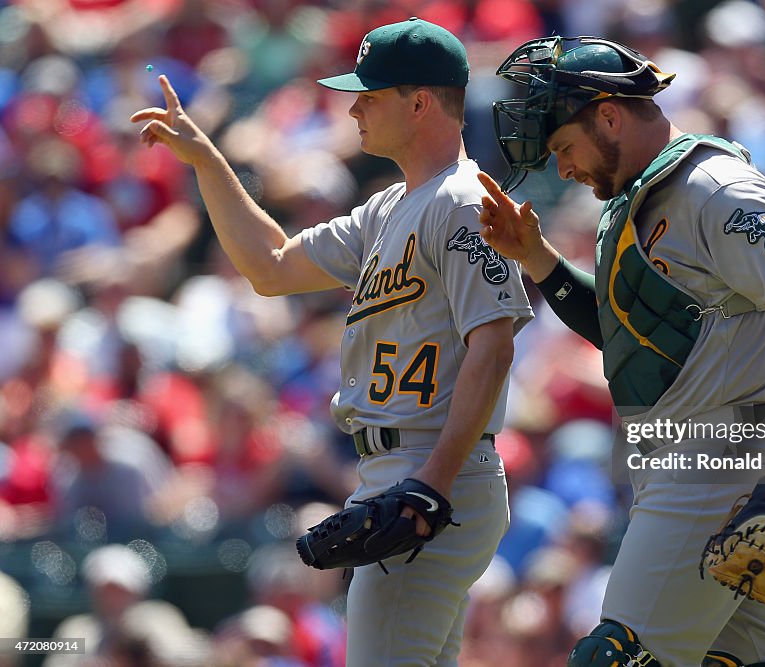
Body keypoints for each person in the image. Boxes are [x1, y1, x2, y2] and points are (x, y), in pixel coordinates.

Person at [131, 17, 533, 665]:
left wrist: (432, 483)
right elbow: (271, 266)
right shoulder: (388, 208)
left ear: (420, 102)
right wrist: (208, 160)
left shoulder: (461, 200)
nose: (352, 109)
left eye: (369, 96)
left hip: (433, 471)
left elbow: (494, 344)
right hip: (405, 472)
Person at [479, 36, 765, 667]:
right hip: (678, 461)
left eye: (564, 146)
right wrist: (536, 258)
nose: (562, 168)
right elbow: (626, 331)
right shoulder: (635, 200)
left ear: (610, 115)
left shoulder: (712, 184)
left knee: (615, 658)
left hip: (715, 460)